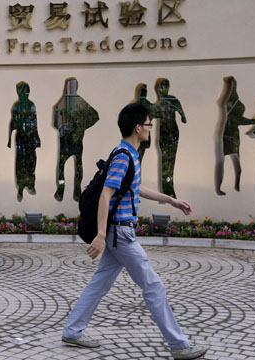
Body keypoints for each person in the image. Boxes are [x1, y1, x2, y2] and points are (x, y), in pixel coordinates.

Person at [61, 103, 207, 360]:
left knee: (99, 284)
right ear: (138, 128)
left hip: (118, 233)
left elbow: (134, 187)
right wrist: (101, 235)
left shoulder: (128, 154)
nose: (151, 128)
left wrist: (170, 200)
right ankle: (179, 345)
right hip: (121, 234)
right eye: (149, 124)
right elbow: (106, 195)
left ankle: (72, 332)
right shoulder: (123, 156)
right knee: (153, 286)